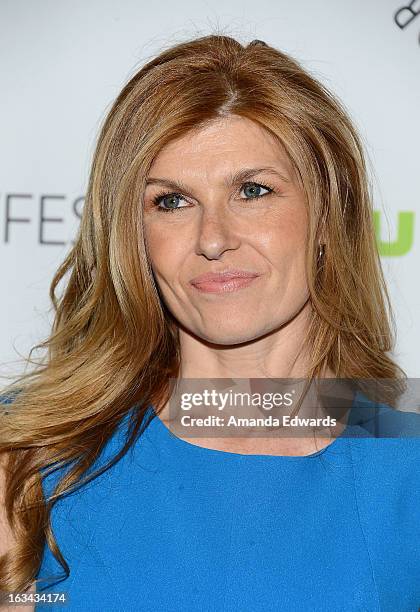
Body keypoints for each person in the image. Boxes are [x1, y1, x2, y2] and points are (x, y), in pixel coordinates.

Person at [0, 33, 419, 612]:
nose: (214, 239)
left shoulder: (406, 466)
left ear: (329, 212)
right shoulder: (29, 456)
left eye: (252, 191)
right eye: (171, 201)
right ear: (132, 235)